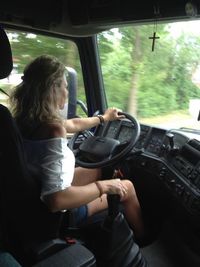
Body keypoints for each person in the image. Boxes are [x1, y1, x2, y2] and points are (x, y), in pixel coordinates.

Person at [10, 55, 144, 240]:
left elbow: (73, 124)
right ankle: (144, 237)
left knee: (97, 169)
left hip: (33, 193)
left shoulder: (21, 121)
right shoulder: (53, 129)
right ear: (53, 89)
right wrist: (104, 186)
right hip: (57, 214)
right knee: (126, 186)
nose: (67, 90)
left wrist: (103, 118)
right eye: (65, 86)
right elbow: (57, 200)